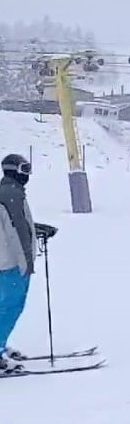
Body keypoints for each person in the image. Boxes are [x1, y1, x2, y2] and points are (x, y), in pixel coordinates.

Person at [0, 154, 36, 373]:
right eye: (25, 169)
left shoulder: (6, 192)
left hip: (5, 260)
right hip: (11, 263)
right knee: (11, 306)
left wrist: (37, 229)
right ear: (13, 170)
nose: (27, 175)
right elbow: (17, 232)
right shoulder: (11, 195)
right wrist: (27, 262)